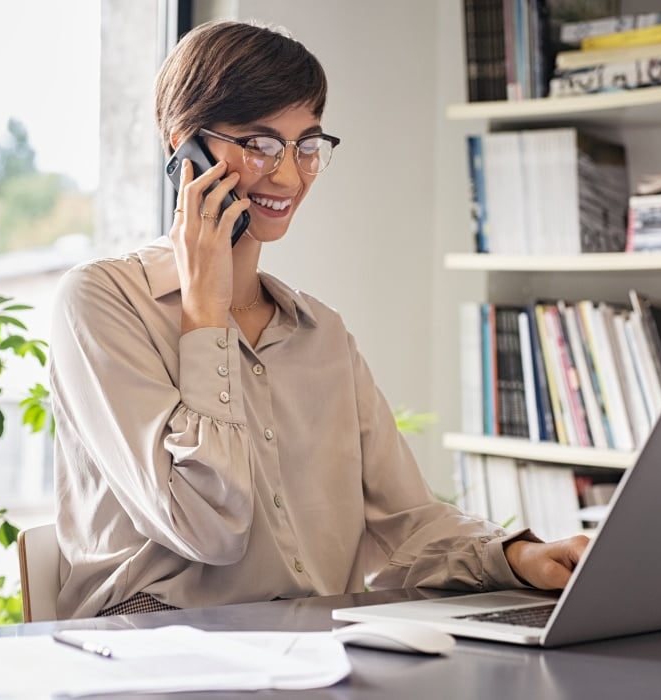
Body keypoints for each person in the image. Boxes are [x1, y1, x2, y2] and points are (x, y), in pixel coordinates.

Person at [50, 19, 588, 619]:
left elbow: (407, 522)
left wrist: (514, 557)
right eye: (259, 143)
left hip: (314, 654)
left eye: (306, 145)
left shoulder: (322, 333)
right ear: (185, 147)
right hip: (152, 656)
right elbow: (208, 527)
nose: (287, 175)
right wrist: (206, 311)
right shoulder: (100, 302)